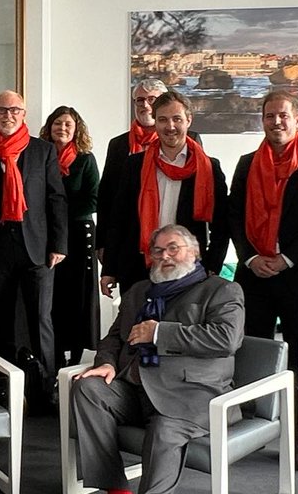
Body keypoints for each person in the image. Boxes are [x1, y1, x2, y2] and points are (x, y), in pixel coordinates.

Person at [64, 224, 244, 494]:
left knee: (164, 429)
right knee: (86, 388)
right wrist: (106, 364)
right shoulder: (138, 292)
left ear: (193, 253)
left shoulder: (221, 290)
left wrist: (159, 332)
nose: (163, 256)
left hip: (191, 397)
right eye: (157, 250)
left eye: (173, 249)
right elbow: (114, 337)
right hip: (137, 387)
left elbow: (227, 339)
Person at [228, 91, 298, 471]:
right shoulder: (245, 164)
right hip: (254, 274)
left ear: (297, 119)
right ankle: (256, 429)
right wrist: (251, 257)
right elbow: (233, 214)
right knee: (253, 355)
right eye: (269, 116)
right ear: (262, 120)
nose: (276, 122)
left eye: (283, 116)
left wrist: (286, 259)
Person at [0, 90, 67, 405]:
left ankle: (47, 387)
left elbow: (56, 199)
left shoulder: (43, 151)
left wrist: (59, 243)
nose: (8, 115)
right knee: (2, 318)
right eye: (2, 110)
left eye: (15, 110)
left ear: (24, 114)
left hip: (37, 246)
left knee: (41, 319)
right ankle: (6, 385)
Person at [100, 91, 228, 297]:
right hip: (137, 266)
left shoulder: (209, 168)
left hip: (189, 269)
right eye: (163, 120)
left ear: (188, 120)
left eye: (177, 119)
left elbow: (222, 225)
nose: (170, 127)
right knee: (135, 328)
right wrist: (109, 270)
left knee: (179, 329)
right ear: (155, 122)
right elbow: (118, 220)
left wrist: (212, 266)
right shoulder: (134, 166)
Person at [40, 106, 100, 366]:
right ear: (49, 127)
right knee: (53, 297)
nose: (62, 128)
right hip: (48, 236)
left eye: (67, 124)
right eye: (57, 123)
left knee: (78, 296)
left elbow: (94, 198)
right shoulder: (39, 155)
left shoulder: (85, 159)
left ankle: (75, 356)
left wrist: (59, 211)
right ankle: (54, 357)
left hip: (78, 234)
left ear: (76, 129)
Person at [97, 78, 166, 246]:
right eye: (140, 100)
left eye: (152, 99)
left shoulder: (184, 140)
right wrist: (102, 243)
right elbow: (106, 195)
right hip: (126, 234)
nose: (145, 105)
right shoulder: (118, 144)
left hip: (167, 231)